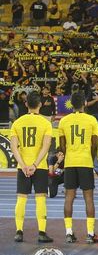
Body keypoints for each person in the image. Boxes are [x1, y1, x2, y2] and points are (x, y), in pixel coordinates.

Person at [10, 91, 53, 243]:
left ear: (26, 104)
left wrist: (23, 165)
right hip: (39, 166)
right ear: (40, 104)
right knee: (40, 198)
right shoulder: (46, 123)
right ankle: (41, 232)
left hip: (23, 167)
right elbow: (46, 146)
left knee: (21, 199)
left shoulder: (17, 123)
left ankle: (19, 232)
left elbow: (14, 147)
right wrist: (35, 165)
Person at [57, 92, 98, 244]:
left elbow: (62, 146)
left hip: (70, 162)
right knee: (89, 198)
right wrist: (91, 157)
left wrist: (69, 156)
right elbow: (95, 144)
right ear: (84, 103)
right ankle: (90, 233)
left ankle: (68, 232)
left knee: (69, 197)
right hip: (85, 162)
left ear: (71, 104)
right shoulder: (91, 120)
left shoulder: (64, 121)